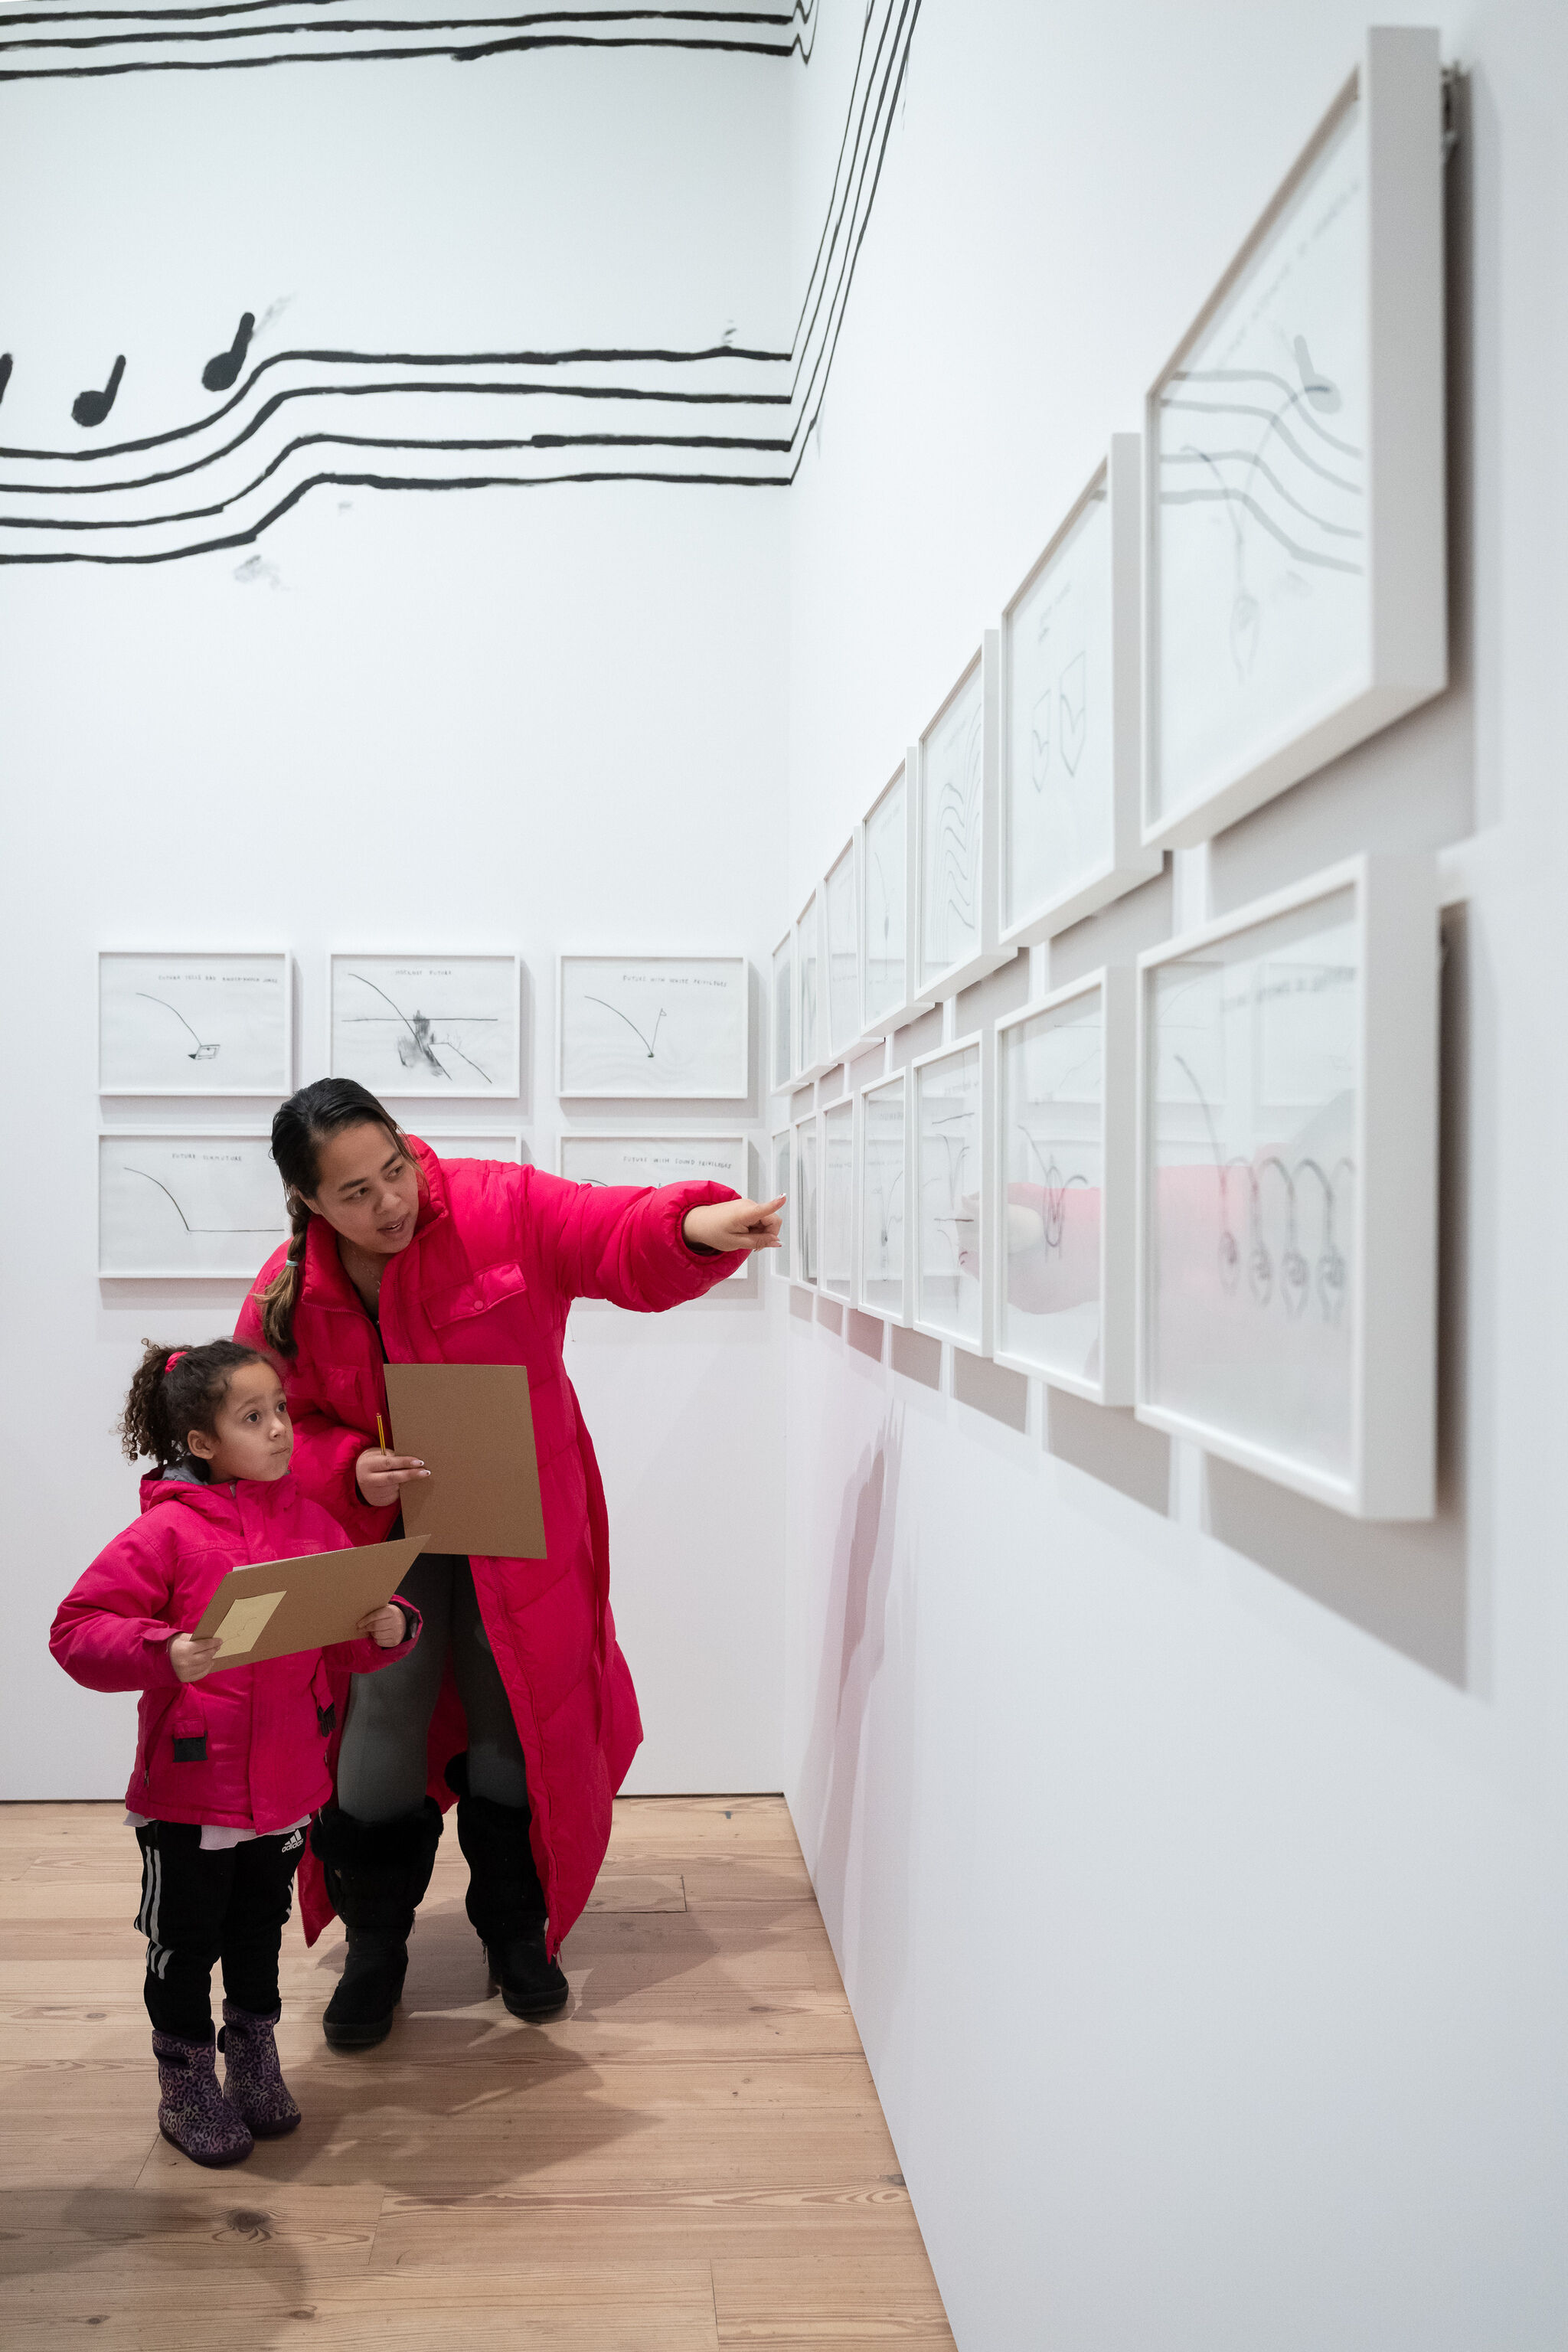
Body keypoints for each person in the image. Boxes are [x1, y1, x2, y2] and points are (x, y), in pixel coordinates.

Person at [235, 1078, 782, 2051]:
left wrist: (697, 1229)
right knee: (383, 1709)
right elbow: (266, 1426)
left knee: (515, 1705)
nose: (390, 1202)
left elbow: (606, 1231)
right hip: (379, 1529)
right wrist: (346, 1463)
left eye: (394, 1170)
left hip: (514, 1506)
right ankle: (376, 1944)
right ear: (308, 1202)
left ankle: (515, 1931)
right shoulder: (287, 1293)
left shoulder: (495, 1204)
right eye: (355, 1193)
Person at [50, 1339, 420, 2167]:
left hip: (286, 1786)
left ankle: (253, 2057)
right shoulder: (166, 1533)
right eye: (254, 1418)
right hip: (192, 1788)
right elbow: (77, 1631)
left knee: (258, 1931)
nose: (281, 1428)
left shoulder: (311, 1522)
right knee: (184, 1942)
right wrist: (163, 1649)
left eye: (280, 1409)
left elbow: (342, 1638)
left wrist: (389, 1625)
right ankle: (185, 2082)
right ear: (202, 1442)